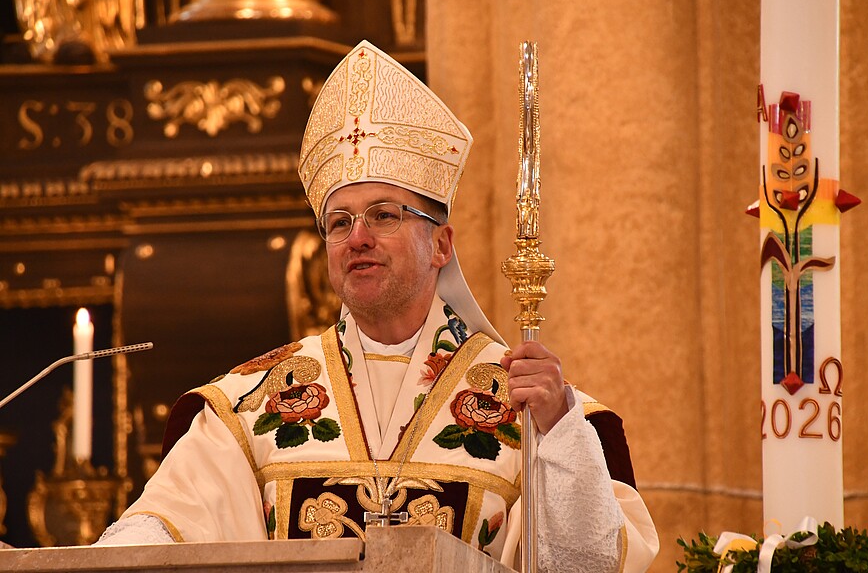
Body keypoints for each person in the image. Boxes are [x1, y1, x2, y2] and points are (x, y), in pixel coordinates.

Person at [97, 40, 659, 572]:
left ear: (441, 244)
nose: (357, 237)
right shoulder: (249, 410)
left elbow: (590, 563)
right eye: (339, 223)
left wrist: (559, 434)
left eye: (384, 215)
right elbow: (161, 529)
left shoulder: (529, 409)